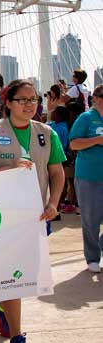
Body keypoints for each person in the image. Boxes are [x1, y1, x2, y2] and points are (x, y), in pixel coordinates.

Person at [0, 79, 66, 343]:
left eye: (34, 99)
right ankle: (17, 336)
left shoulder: (46, 133)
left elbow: (57, 173)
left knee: (23, 278)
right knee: (15, 279)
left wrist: (53, 204)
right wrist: (10, 168)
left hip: (36, 218)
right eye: (22, 99)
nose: (29, 105)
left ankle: (1, 309)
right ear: (8, 103)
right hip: (2, 219)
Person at [69, 84, 103, 273]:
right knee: (91, 218)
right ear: (95, 98)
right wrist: (97, 141)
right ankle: (92, 257)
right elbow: (73, 144)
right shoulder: (86, 118)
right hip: (89, 175)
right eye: (102, 95)